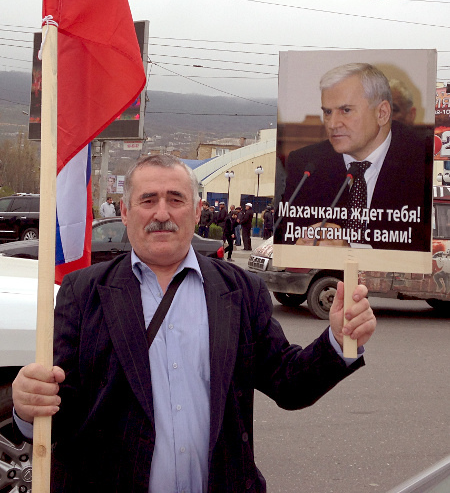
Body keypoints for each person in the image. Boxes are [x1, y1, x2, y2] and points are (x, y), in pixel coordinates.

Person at [12, 154, 376, 493]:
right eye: (148, 200)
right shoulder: (84, 291)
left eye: (176, 199)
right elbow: (60, 405)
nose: (162, 213)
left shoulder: (241, 290)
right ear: (124, 211)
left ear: (198, 210)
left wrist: (338, 339)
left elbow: (288, 383)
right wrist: (29, 406)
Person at [280, 63, 433, 251]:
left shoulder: (424, 162)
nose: (332, 124)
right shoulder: (306, 164)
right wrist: (298, 247)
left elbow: (427, 247)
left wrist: (352, 250)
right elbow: (283, 238)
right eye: (328, 112)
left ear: (382, 113)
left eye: (346, 110)